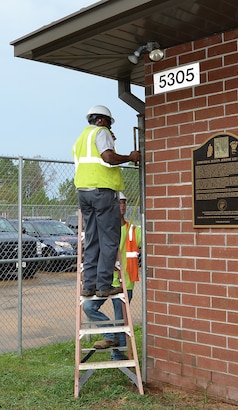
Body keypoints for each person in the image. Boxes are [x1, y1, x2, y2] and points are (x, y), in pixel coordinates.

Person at [72, 105, 140, 298]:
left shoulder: (81, 138)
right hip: (102, 192)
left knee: (92, 239)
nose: (110, 128)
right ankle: (103, 285)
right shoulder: (101, 132)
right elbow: (108, 157)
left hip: (84, 193)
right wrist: (129, 156)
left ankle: (89, 285)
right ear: (101, 120)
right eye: (109, 123)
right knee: (109, 240)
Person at [83, 192, 142, 357]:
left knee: (120, 319)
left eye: (123, 203)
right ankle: (110, 336)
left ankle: (119, 357)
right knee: (89, 307)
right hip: (105, 282)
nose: (121, 206)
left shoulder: (133, 231)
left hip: (125, 282)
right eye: (118, 203)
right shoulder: (102, 231)